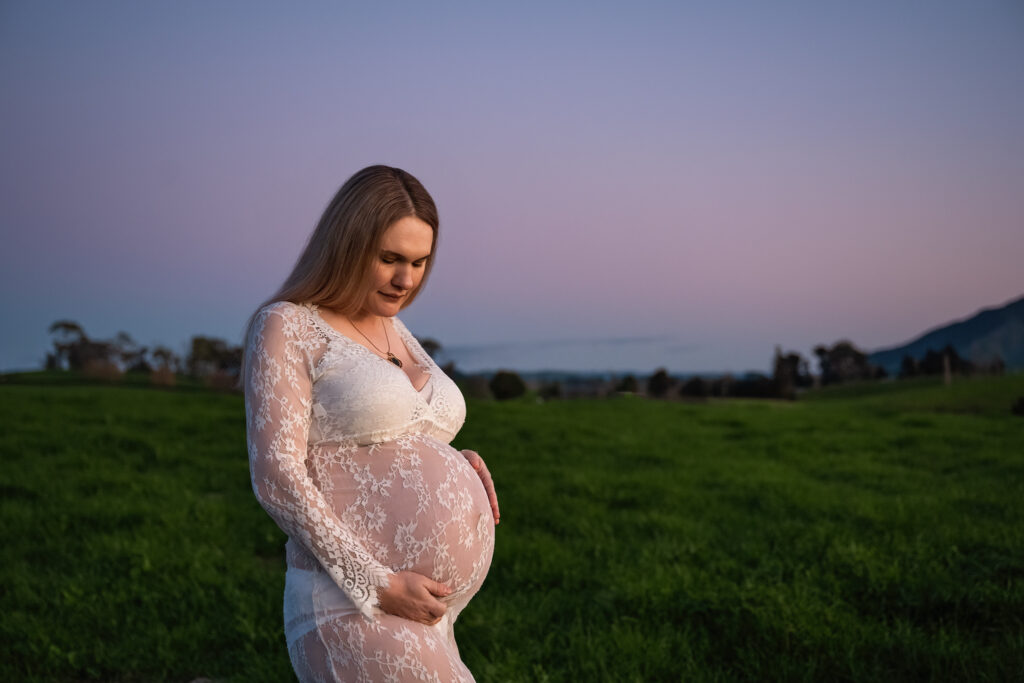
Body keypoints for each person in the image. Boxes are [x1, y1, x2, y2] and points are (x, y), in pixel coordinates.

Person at [242, 165, 499, 681]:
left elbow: (401, 433)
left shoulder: (396, 330)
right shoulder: (287, 325)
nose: (406, 279)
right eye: (390, 259)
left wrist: (458, 463)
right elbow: (276, 474)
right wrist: (377, 584)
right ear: (348, 244)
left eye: (420, 262)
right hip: (350, 602)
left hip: (429, 612)